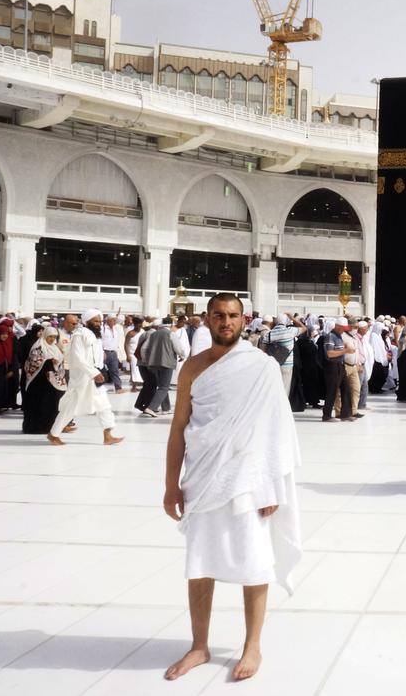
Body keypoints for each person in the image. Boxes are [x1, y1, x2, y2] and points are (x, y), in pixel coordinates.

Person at [162, 293, 302, 683]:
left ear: (245, 321)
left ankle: (252, 645)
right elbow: (178, 429)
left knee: (254, 564)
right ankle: (199, 645)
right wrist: (171, 485)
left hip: (250, 482)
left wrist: (272, 485)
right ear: (206, 319)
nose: (226, 322)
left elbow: (277, 429)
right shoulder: (192, 368)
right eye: (219, 315)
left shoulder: (262, 367)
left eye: (233, 316)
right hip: (204, 479)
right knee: (199, 565)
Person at [48, 309, 123, 446]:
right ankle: (53, 434)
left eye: (100, 321)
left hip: (95, 376)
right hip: (83, 377)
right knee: (71, 407)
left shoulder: (95, 335)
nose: (98, 323)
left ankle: (108, 435)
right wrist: (93, 373)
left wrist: (100, 368)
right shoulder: (80, 334)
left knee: (104, 406)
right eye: (95, 321)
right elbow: (77, 357)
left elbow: (96, 355)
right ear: (87, 321)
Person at [135, 317, 184, 418]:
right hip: (166, 363)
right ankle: (151, 408)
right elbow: (178, 348)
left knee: (161, 385)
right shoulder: (171, 334)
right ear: (171, 325)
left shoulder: (153, 334)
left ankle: (166, 408)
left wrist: (145, 360)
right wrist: (183, 356)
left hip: (153, 363)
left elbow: (144, 348)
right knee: (164, 387)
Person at [21, 326, 66, 434]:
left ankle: (48, 427)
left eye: (54, 337)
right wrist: (49, 361)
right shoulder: (38, 347)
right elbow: (34, 362)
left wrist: (56, 362)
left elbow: (60, 362)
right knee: (37, 404)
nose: (51, 339)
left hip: (51, 383)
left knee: (50, 405)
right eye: (50, 336)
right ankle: (35, 428)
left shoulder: (54, 347)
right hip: (38, 383)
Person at [321, 318, 354, 422]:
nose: (344, 330)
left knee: (346, 389)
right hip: (332, 366)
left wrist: (345, 346)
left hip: (340, 365)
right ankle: (326, 415)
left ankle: (345, 414)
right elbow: (329, 353)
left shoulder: (338, 335)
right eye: (343, 328)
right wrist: (345, 350)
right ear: (337, 326)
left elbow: (338, 347)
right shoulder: (330, 336)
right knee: (332, 391)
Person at [100, 314, 126, 393]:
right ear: (108, 320)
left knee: (115, 371)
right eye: (113, 320)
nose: (114, 322)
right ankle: (97, 387)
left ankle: (118, 388)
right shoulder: (103, 328)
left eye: (115, 320)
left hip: (113, 352)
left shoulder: (115, 329)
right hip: (104, 352)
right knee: (100, 370)